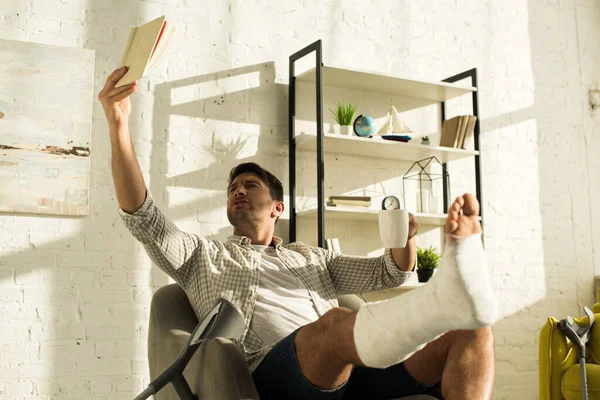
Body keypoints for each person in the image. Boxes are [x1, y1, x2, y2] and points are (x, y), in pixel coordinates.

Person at [98, 67, 498, 400]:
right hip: (277, 374)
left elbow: (389, 272)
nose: (238, 190)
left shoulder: (311, 257)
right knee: (334, 323)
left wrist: (406, 238)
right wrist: (119, 126)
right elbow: (143, 217)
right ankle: (437, 299)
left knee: (472, 327)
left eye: (250, 185)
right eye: (232, 188)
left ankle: (448, 295)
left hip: (348, 370)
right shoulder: (201, 254)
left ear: (278, 207)